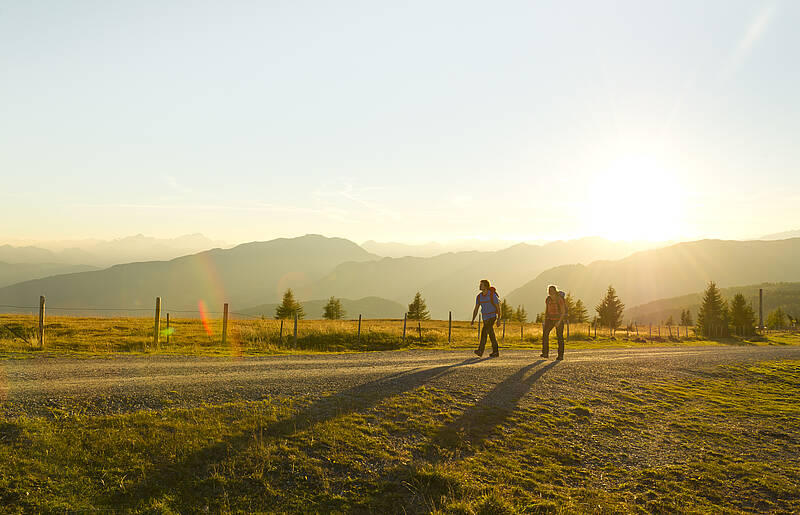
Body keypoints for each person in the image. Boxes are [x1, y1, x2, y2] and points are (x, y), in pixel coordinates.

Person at [471, 279, 501, 357]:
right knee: (491, 334)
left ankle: (480, 351)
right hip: (485, 318)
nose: (479, 286)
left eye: (481, 285)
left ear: (486, 286)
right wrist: (473, 319)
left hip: (492, 317)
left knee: (484, 332)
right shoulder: (479, 297)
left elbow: (498, 307)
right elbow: (476, 309)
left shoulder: (492, 295)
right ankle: (495, 351)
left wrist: (498, 319)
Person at [542, 284, 566, 360]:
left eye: (552, 290)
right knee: (545, 334)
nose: (550, 292)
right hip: (549, 319)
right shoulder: (548, 299)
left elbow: (563, 311)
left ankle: (560, 355)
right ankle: (545, 353)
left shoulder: (559, 299)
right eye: (549, 290)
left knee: (559, 337)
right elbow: (546, 310)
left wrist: (559, 321)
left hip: (559, 319)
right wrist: (545, 319)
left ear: (555, 291)